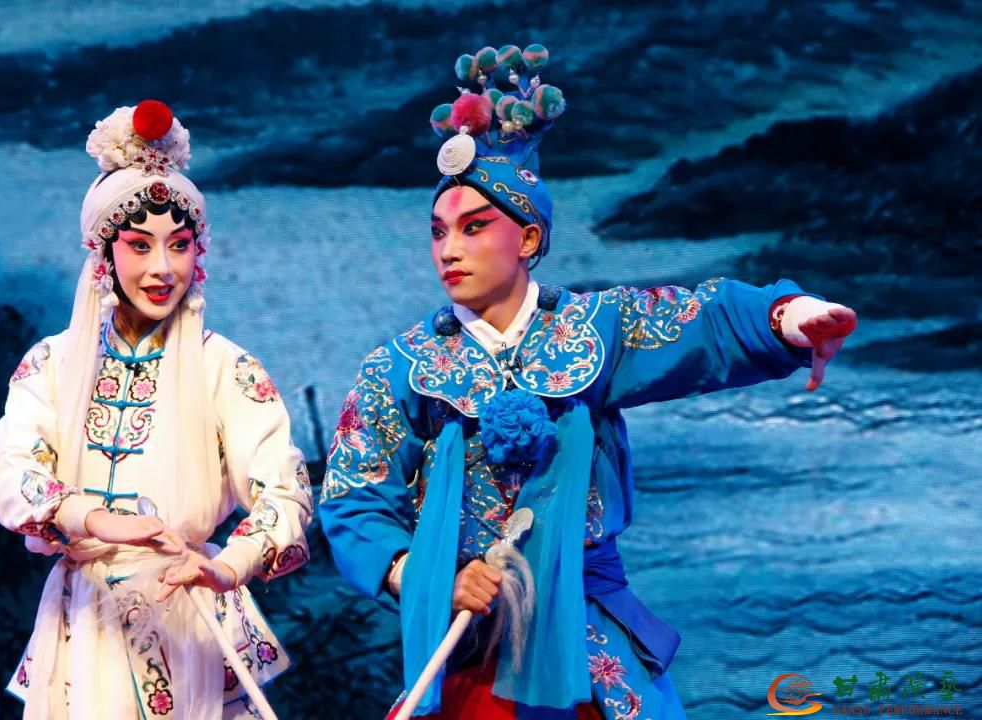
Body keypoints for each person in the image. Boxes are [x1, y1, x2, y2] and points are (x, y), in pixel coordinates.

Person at [319, 45, 858, 719]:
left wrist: (792, 317)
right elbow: (354, 497)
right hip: (470, 641)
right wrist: (428, 575)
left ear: (528, 239)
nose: (449, 250)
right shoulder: (402, 367)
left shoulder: (595, 331)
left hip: (588, 634)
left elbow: (705, 319)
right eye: (438, 232)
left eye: (474, 228)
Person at [0, 100, 313, 719]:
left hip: (191, 614)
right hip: (84, 629)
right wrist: (91, 518)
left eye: (179, 245)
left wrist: (227, 567)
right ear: (103, 255)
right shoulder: (51, 364)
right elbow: (8, 471)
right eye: (139, 246)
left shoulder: (225, 368)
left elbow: (287, 490)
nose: (162, 269)